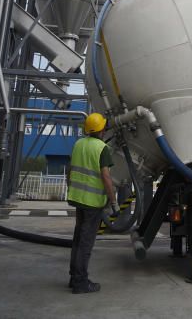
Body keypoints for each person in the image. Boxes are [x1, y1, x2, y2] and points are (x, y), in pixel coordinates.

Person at [67, 112, 118, 294]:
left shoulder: (78, 144)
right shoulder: (101, 148)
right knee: (86, 243)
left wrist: (70, 188)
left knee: (78, 239)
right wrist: (114, 202)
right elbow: (106, 177)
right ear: (102, 130)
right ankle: (81, 282)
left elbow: (70, 169)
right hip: (93, 203)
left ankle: (74, 277)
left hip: (78, 199)